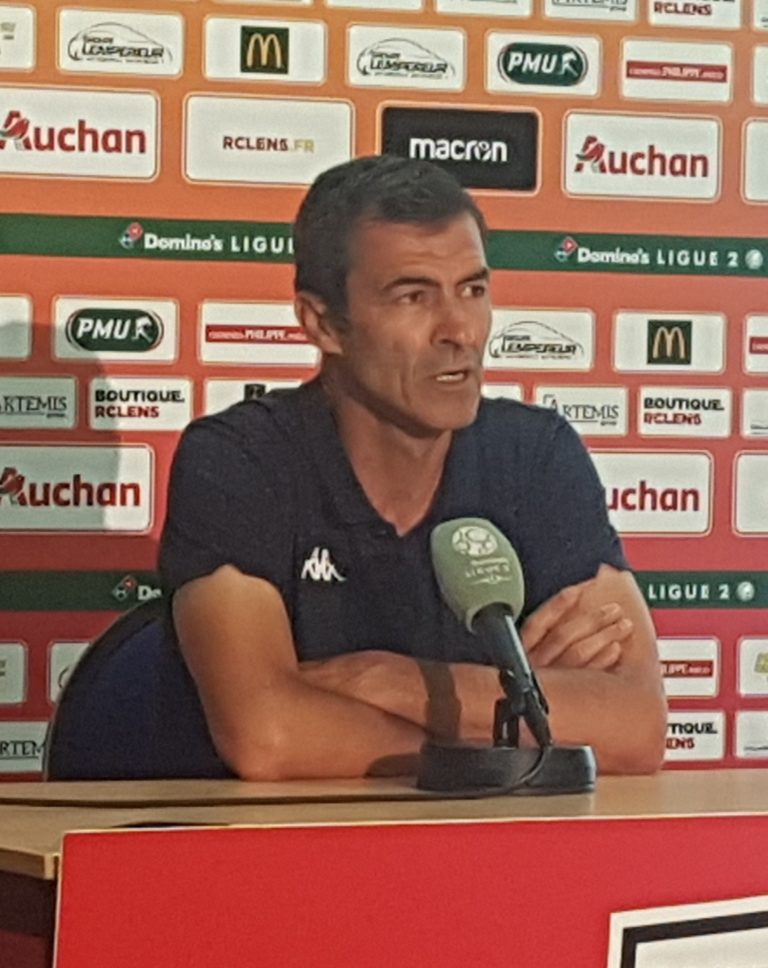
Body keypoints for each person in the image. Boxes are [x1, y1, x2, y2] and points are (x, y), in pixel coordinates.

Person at [159, 155, 667, 781]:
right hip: (283, 838)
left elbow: (638, 728)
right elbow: (269, 737)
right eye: (413, 296)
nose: (460, 331)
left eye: (473, 290)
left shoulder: (536, 456)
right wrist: (516, 721)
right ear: (323, 324)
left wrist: (387, 680)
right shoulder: (240, 460)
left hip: (485, 839)